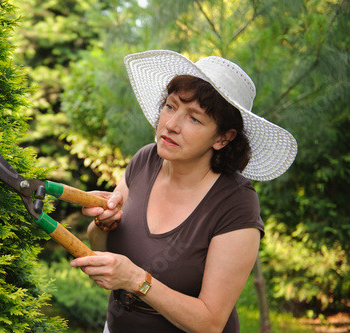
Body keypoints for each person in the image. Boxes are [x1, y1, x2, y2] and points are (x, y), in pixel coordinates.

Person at [70, 50, 298, 333]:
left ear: (223, 138)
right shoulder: (145, 160)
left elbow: (211, 322)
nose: (171, 125)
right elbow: (100, 246)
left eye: (194, 119)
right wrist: (102, 224)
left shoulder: (236, 204)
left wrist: (137, 280)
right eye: (170, 106)